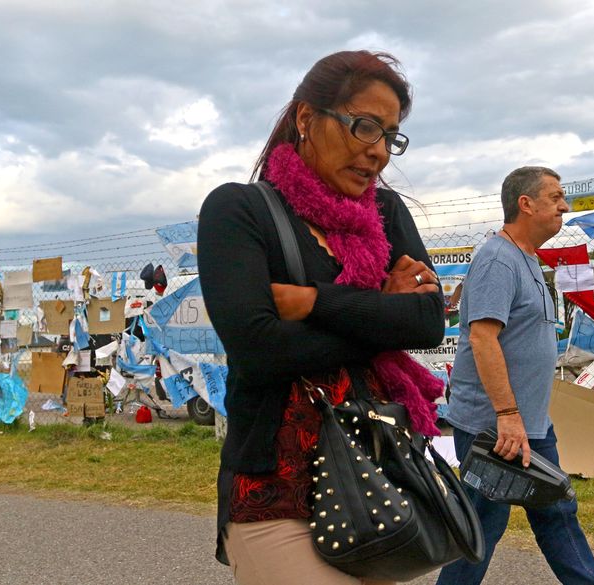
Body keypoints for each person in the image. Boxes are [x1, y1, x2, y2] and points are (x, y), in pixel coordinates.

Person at [197, 50, 446, 585]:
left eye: (391, 136)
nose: (378, 153)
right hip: (277, 492)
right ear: (307, 119)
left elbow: (427, 321)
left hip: (383, 472)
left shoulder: (386, 212)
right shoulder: (239, 211)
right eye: (364, 127)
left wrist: (315, 303)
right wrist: (381, 310)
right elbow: (260, 351)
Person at [437, 166, 594, 585]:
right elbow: (482, 339)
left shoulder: (526, 258)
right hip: (494, 425)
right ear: (525, 203)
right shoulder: (497, 259)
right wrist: (506, 413)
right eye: (556, 197)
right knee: (481, 528)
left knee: (557, 511)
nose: (564, 206)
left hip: (529, 423)